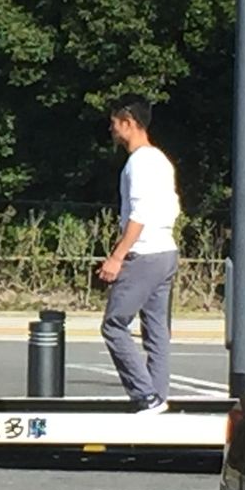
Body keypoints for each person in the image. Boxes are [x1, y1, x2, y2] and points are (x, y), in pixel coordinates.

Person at [97, 95, 181, 414]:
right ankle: (157, 397)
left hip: (144, 254)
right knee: (156, 327)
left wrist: (117, 256)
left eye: (115, 123)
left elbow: (139, 214)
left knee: (114, 324)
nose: (112, 129)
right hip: (166, 251)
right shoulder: (160, 159)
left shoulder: (140, 162)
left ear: (128, 123)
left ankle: (145, 395)